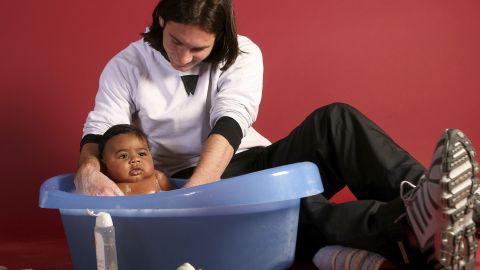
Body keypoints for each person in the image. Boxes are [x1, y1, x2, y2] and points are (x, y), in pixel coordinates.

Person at [73, 0, 480, 268]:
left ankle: (435, 195)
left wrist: (203, 189)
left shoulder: (244, 52)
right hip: (186, 178)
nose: (183, 56)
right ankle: (411, 224)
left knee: (335, 120)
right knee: (293, 207)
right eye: (175, 40)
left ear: (221, 38)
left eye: (198, 50)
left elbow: (231, 120)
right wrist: (88, 171)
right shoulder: (126, 65)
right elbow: (100, 128)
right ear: (161, 18)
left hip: (240, 160)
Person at [98, 124, 172, 195]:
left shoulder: (158, 178)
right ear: (105, 163)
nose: (135, 159)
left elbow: (173, 199)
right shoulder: (107, 186)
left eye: (141, 154)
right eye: (123, 156)